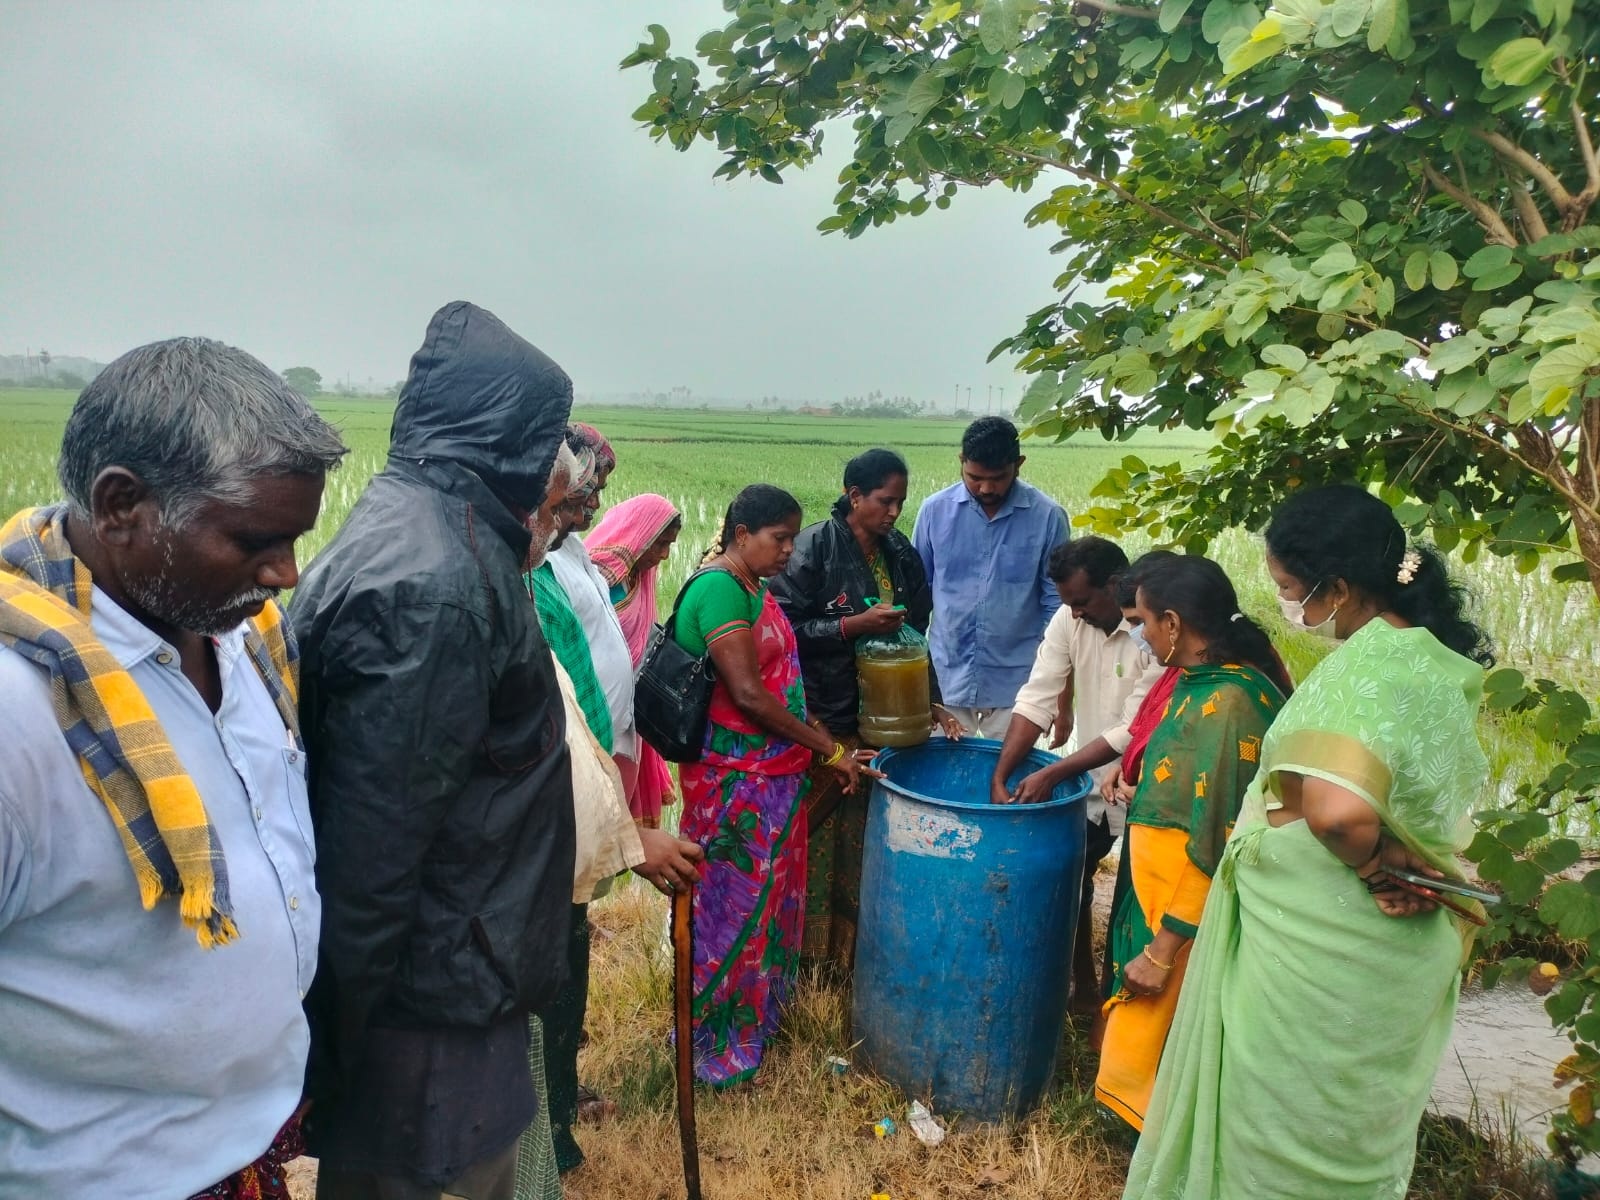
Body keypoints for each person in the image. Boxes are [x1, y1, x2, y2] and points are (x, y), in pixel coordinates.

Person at [0, 337, 346, 1196]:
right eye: (256, 540)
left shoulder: (249, 643)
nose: (288, 573)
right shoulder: (18, 712)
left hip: (244, 1150)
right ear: (122, 506)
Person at [1126, 486, 1494, 1200]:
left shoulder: (1369, 667)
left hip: (1316, 948)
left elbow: (1336, 812)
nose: (1290, 606)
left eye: (1291, 590)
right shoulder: (1431, 660)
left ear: (1341, 587)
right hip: (1384, 959)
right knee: (1349, 1129)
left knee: (1276, 1132)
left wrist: (1375, 861)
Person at [290, 302, 577, 1200]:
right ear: (510, 439)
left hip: (448, 971)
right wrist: (330, 1042)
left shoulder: (422, 526)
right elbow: (374, 848)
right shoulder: (437, 586)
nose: (556, 464)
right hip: (427, 1003)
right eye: (547, 437)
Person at [523, 445, 702, 1180]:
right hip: (550, 821)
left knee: (569, 961)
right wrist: (626, 838)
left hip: (590, 785)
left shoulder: (567, 564)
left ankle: (560, 1103)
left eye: (591, 493)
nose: (589, 507)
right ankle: (548, 1126)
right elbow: (547, 738)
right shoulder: (521, 580)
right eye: (570, 501)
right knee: (550, 977)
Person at [673, 484, 873, 1087]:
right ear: (740, 535)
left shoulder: (754, 588)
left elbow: (786, 688)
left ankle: (754, 1024)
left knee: (767, 909)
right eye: (777, 538)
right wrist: (829, 748)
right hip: (734, 780)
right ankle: (713, 1046)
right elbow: (752, 697)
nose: (789, 549)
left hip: (773, 777)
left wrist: (819, 747)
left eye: (793, 537)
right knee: (728, 911)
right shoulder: (716, 589)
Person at [1093, 554, 1291, 1134]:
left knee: (1170, 1071)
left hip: (1183, 921)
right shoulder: (1199, 683)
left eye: (1146, 622)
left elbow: (1218, 839)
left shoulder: (1230, 702)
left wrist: (1162, 951)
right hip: (1159, 901)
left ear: (1174, 624)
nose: (1141, 635)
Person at [770, 448, 961, 970]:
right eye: (884, 501)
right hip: (823, 722)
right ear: (854, 497)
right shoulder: (811, 550)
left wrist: (933, 703)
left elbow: (914, 638)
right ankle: (802, 963)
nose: (895, 511)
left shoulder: (900, 553)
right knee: (817, 842)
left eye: (901, 501)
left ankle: (849, 963)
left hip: (880, 722)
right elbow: (780, 635)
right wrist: (850, 627)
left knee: (864, 842)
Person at [991, 537, 1164, 1011]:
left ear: (1116, 585)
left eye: (1084, 601)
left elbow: (1137, 726)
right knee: (1075, 880)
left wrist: (1055, 773)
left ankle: (1122, 1003)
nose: (1077, 613)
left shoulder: (1151, 631)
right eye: (1070, 604)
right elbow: (1038, 695)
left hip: (1144, 787)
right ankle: (1085, 988)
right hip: (1094, 784)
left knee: (1141, 901)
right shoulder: (1069, 618)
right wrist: (1000, 773)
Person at [912, 417, 1068, 738]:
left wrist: (1059, 695)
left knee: (1010, 782)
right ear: (961, 462)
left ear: (1019, 465)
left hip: (1019, 682)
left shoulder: (1048, 517)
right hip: (946, 677)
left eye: (998, 478)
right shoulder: (933, 512)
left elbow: (1058, 606)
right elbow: (916, 594)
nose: (986, 488)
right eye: (975, 477)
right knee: (945, 777)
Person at [550, 422, 641, 805]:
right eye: (586, 493)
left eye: (597, 491)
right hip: (571, 754)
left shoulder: (573, 548)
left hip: (605, 740)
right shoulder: (540, 560)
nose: (594, 505)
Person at [587, 492, 683, 827]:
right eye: (659, 544)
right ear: (639, 535)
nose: (664, 556)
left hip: (628, 712)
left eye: (670, 545)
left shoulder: (640, 576)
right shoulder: (593, 575)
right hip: (593, 711)